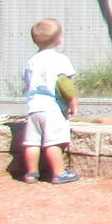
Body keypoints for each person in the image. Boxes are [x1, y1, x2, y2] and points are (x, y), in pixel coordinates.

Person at [21, 18, 81, 185]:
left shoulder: (32, 61)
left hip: (34, 108)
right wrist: (73, 103)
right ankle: (59, 173)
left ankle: (31, 173)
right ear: (59, 39)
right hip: (52, 108)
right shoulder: (60, 59)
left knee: (32, 142)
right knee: (53, 142)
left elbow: (27, 82)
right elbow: (65, 84)